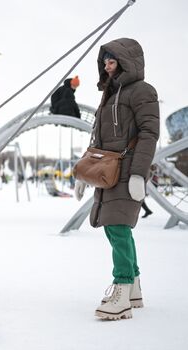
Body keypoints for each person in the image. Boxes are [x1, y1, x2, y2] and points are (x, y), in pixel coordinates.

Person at [74, 39, 159, 320]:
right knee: (115, 228)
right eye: (105, 62)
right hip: (106, 171)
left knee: (118, 227)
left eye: (112, 61)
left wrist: (138, 173)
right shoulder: (110, 95)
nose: (108, 67)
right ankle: (133, 286)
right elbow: (98, 139)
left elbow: (149, 133)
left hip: (126, 170)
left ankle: (121, 288)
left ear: (126, 61)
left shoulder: (142, 91)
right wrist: (84, 173)